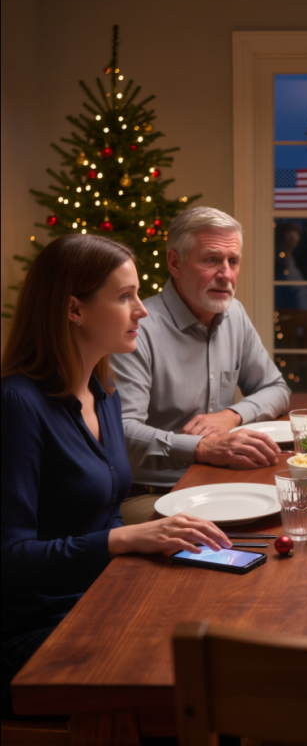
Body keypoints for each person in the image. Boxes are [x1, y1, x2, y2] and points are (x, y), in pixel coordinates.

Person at [1, 235, 232, 717]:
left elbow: (102, 517)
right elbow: (11, 559)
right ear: (74, 310)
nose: (142, 310)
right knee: (202, 681)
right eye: (125, 296)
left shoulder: (103, 393)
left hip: (97, 598)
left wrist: (149, 541)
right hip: (35, 629)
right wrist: (126, 538)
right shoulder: (17, 405)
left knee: (221, 628)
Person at [111, 207, 291, 525]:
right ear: (175, 263)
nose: (226, 274)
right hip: (152, 493)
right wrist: (203, 447)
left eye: (233, 261)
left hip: (217, 481)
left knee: (297, 512)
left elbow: (277, 388)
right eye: (211, 260)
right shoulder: (137, 329)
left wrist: (232, 415)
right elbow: (123, 432)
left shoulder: (235, 314)